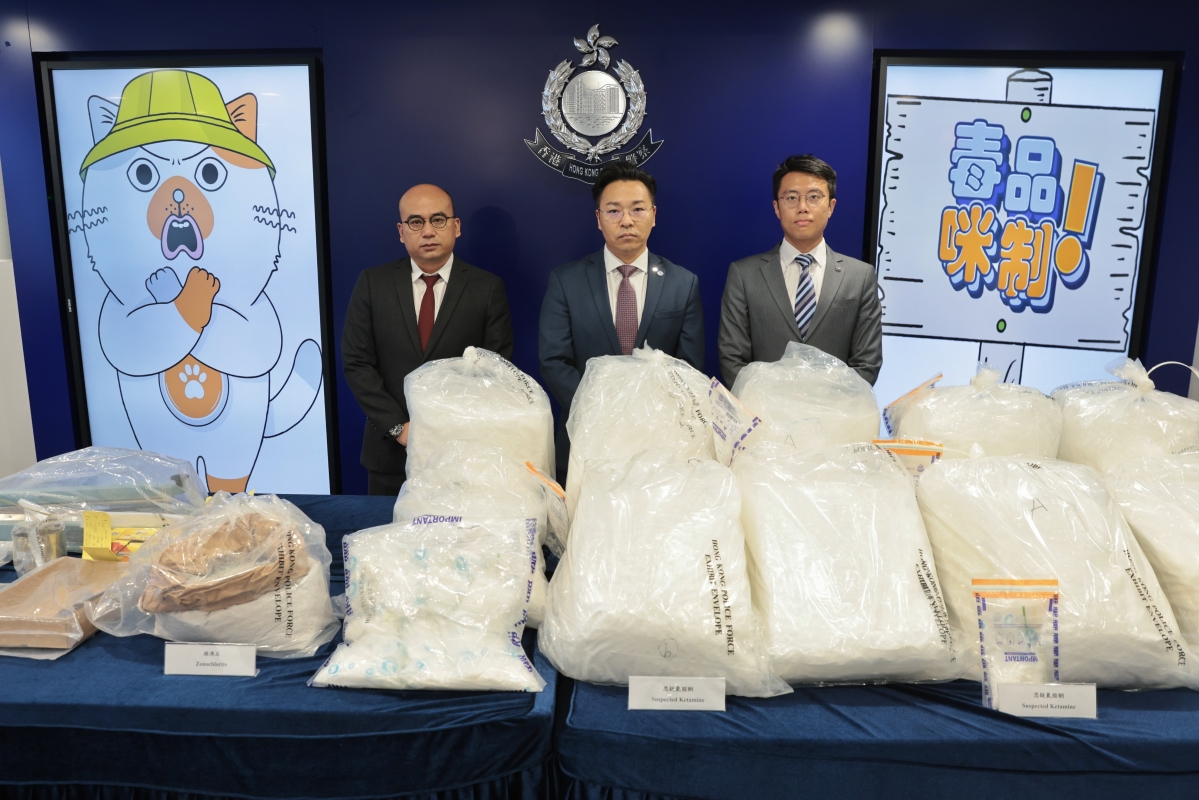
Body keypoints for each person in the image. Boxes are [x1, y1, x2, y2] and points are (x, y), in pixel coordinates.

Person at [342, 184, 513, 495]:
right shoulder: (373, 284)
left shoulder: (487, 288)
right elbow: (357, 363)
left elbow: (495, 370)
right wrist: (399, 428)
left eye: (438, 219)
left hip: (460, 456)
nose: (428, 231)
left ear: (456, 226)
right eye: (416, 222)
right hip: (389, 454)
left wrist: (447, 431)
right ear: (401, 231)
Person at [539, 162, 704, 481]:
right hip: (586, 437)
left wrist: (645, 416)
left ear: (654, 215)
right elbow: (554, 361)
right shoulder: (566, 281)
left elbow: (689, 367)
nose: (626, 220)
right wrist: (603, 411)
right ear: (598, 218)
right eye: (614, 211)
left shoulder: (683, 283)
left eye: (637, 209)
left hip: (660, 443)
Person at [718, 155, 882, 387]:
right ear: (777, 208)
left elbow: (867, 364)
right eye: (791, 198)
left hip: (835, 408)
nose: (803, 208)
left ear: (831, 206)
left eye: (814, 197)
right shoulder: (744, 275)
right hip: (764, 408)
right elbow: (732, 359)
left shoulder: (860, 277)